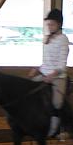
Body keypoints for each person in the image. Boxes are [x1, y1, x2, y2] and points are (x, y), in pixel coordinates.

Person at [28, 8, 69, 138]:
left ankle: (57, 130)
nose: (49, 27)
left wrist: (52, 75)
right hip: (44, 74)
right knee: (28, 91)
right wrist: (37, 69)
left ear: (59, 25)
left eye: (52, 24)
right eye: (48, 24)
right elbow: (47, 61)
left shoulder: (63, 39)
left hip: (58, 77)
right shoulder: (46, 39)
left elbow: (62, 64)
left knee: (57, 102)